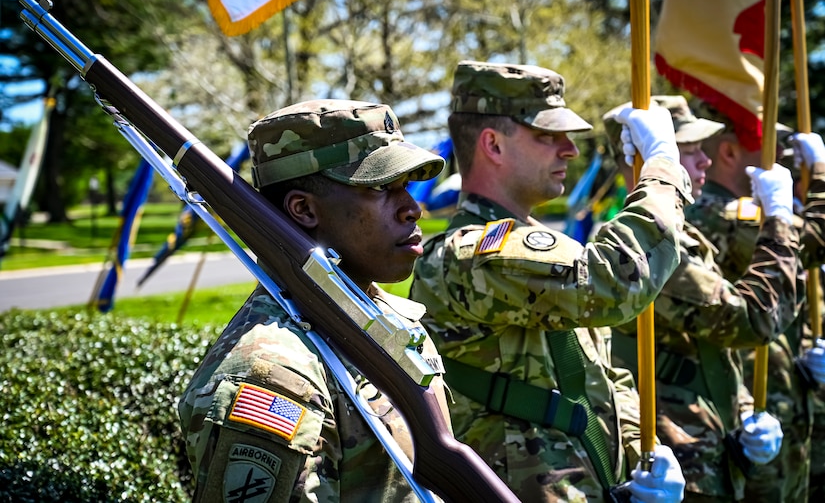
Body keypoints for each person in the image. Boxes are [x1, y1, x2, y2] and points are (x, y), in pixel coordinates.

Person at [410, 60, 687, 502]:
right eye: (547, 136)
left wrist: (640, 456)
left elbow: (602, 378)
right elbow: (615, 284)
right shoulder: (475, 252)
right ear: (493, 145)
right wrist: (663, 168)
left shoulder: (540, 245)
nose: (570, 150)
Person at [178, 99, 452, 502]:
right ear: (304, 209)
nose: (413, 209)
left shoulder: (388, 318)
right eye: (380, 188)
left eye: (407, 187)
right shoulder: (273, 374)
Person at [604, 95, 799, 502]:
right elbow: (751, 321)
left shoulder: (684, 237)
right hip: (680, 462)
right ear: (642, 160)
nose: (704, 161)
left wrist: (744, 410)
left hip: (712, 453)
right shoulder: (653, 249)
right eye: (685, 152)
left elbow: (711, 350)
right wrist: (779, 220)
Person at [685, 105, 825, 502]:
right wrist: (819, 176)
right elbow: (815, 240)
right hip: (744, 401)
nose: (780, 154)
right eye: (768, 143)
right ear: (729, 153)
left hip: (769, 393)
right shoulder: (724, 212)